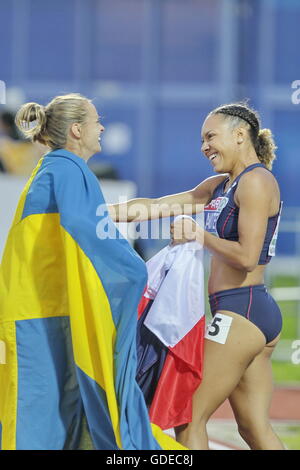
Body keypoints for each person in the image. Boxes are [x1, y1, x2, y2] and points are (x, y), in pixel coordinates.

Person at [0, 93, 185, 451]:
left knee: (55, 414)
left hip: (46, 312)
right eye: (96, 120)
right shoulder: (67, 168)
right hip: (36, 317)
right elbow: (85, 228)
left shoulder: (56, 168)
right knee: (35, 418)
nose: (101, 127)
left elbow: (88, 227)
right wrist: (135, 270)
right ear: (76, 130)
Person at [109, 102, 285, 450]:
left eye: (210, 137)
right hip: (244, 312)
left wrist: (199, 236)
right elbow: (158, 205)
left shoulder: (256, 181)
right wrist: (98, 211)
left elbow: (248, 257)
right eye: (202, 139)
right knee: (253, 429)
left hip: (242, 311)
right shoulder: (220, 185)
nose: (204, 146)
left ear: (239, 135)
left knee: (188, 418)